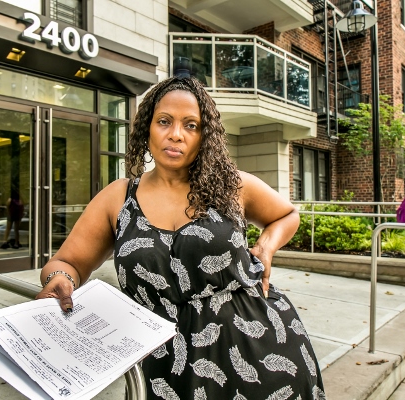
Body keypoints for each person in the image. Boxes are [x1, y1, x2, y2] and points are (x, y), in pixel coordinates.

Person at [36, 76, 326, 399]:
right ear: (147, 127)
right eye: (164, 122)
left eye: (191, 125)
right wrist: (59, 278)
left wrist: (266, 247)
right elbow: (66, 262)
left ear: (205, 136)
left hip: (263, 357)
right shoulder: (118, 198)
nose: (176, 134)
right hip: (167, 370)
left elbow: (288, 215)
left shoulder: (232, 186)